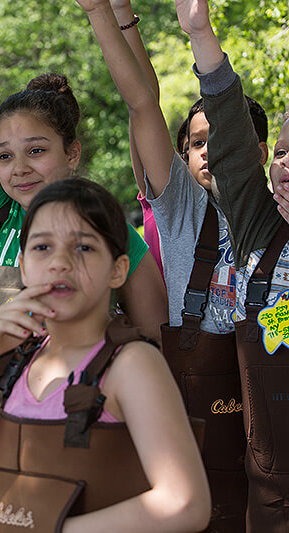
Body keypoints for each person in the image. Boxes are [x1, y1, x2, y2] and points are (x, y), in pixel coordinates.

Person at [0, 3, 167, 527]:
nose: (18, 168)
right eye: (4, 155)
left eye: (36, 151)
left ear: (72, 153)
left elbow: (154, 331)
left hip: (87, 429)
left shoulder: (109, 232)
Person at [0, 178, 210, 532]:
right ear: (23, 264)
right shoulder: (17, 361)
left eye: (83, 248)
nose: (60, 262)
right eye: (43, 247)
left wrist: (48, 528)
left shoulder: (131, 364)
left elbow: (186, 503)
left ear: (117, 269)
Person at [79, 0, 272, 528]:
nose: (208, 154)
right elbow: (142, 104)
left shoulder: (272, 218)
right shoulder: (182, 208)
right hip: (199, 421)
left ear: (256, 154)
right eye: (196, 144)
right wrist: (107, 14)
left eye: (221, 143)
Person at [177, 0, 289, 529]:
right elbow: (232, 142)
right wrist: (200, 33)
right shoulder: (259, 232)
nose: (286, 164)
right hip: (273, 490)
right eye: (282, 153)